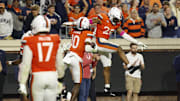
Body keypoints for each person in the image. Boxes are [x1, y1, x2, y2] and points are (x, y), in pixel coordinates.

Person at [92, 7, 147, 96]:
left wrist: (136, 42)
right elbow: (92, 21)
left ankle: (107, 88)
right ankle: (129, 66)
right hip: (98, 41)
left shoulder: (116, 24)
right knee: (119, 48)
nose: (116, 21)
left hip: (104, 43)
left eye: (118, 19)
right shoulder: (103, 17)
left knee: (107, 66)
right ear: (110, 16)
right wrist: (80, 23)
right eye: (115, 19)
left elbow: (124, 35)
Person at [18, 15, 64, 101]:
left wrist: (22, 83)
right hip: (52, 76)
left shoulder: (30, 40)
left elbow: (26, 65)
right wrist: (60, 79)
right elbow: (60, 64)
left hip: (37, 76)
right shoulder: (55, 39)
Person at [63, 17, 96, 101]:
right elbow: (87, 48)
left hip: (68, 56)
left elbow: (70, 24)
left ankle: (61, 93)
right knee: (77, 84)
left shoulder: (74, 31)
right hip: (76, 58)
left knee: (58, 76)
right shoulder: (87, 33)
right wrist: (95, 49)